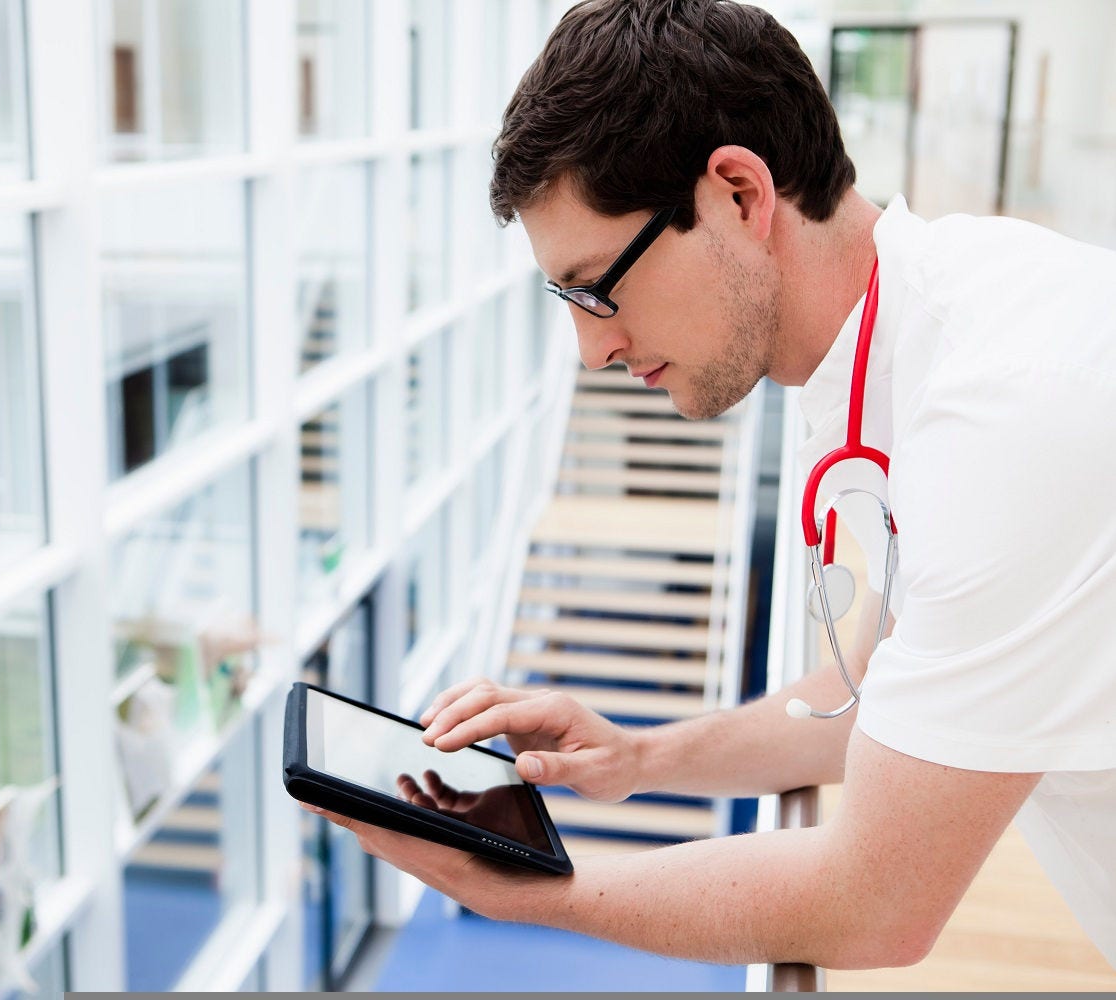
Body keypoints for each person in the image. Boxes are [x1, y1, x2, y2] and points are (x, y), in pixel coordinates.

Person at [304, 0, 1116, 971]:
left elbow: (877, 905)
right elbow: (869, 696)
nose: (592, 349)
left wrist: (523, 889)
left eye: (597, 287)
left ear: (738, 193)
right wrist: (642, 757)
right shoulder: (921, 335)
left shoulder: (1008, 412)